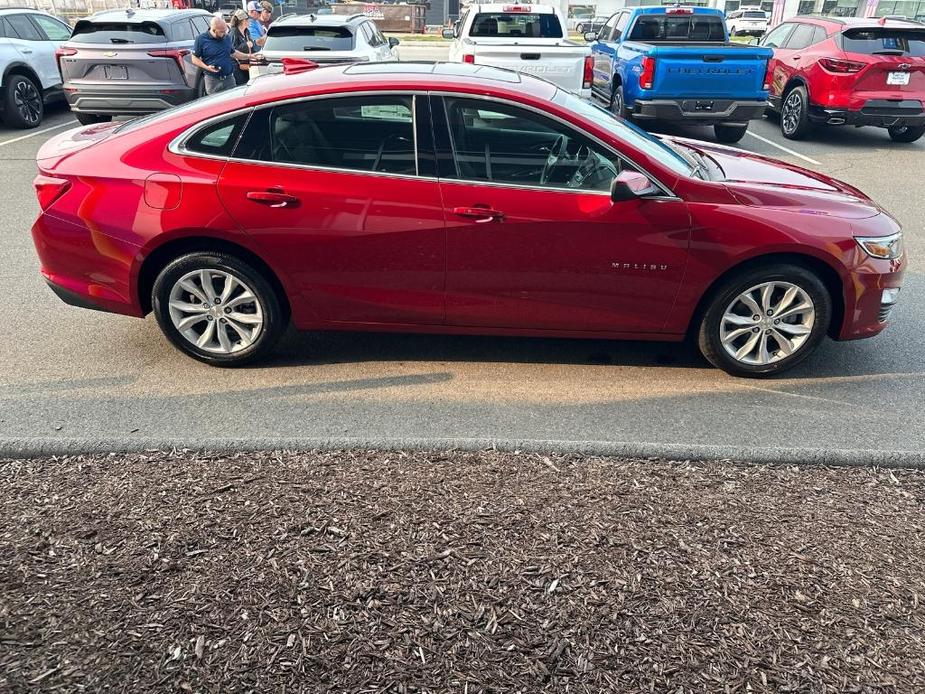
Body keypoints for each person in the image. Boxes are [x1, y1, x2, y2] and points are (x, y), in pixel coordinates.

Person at [192, 16, 260, 94]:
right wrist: (207, 67)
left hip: (229, 78)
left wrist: (248, 56)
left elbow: (233, 53)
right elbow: (194, 59)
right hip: (212, 80)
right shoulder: (201, 39)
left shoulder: (226, 37)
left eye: (225, 31)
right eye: (222, 32)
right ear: (214, 30)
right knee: (216, 103)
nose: (225, 34)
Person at [229, 9, 254, 86]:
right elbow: (232, 50)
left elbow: (251, 45)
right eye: (248, 20)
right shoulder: (233, 33)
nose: (249, 21)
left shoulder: (247, 31)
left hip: (247, 65)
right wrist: (246, 45)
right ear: (244, 21)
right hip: (237, 67)